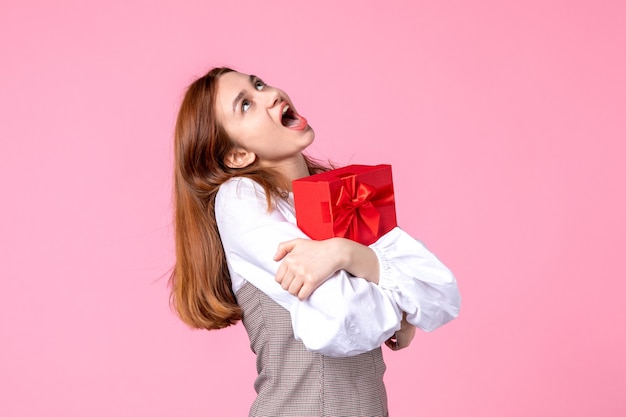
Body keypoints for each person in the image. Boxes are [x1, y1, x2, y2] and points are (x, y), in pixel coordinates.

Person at [170, 67, 461, 417]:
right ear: (236, 156)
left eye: (259, 84)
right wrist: (400, 304)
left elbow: (440, 292)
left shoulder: (339, 192)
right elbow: (343, 317)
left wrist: (346, 253)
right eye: (245, 104)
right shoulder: (239, 197)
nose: (271, 94)